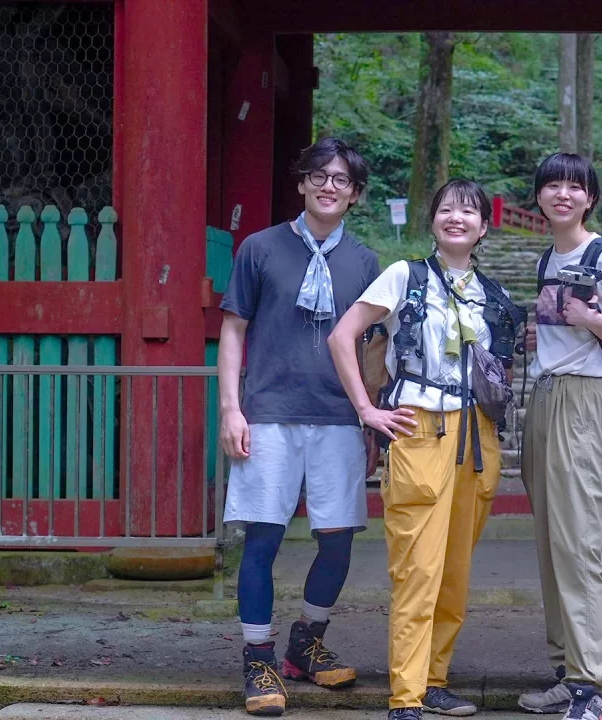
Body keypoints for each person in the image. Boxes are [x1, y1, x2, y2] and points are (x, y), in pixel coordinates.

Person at [329, 180, 523, 720]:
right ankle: (406, 697)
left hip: (477, 434)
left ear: (484, 227)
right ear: (432, 220)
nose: (456, 218)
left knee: (455, 571)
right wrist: (367, 411)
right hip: (419, 428)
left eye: (469, 212)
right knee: (418, 568)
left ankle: (435, 679)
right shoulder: (404, 276)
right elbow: (342, 336)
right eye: (446, 209)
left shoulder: (492, 294)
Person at [218, 137, 382, 717]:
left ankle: (305, 642)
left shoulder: (365, 261)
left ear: (355, 194)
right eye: (319, 175)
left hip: (338, 417)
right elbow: (233, 329)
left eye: (341, 179)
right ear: (301, 183)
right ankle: (257, 657)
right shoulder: (260, 248)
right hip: (269, 414)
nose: (329, 186)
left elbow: (370, 346)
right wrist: (231, 409)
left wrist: (369, 418)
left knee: (338, 539)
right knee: (262, 538)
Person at [517, 153, 602, 720]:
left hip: (588, 400)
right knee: (551, 539)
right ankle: (565, 671)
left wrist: (591, 320)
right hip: (546, 395)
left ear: (590, 199)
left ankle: (590, 685)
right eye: (553, 185)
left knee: (578, 539)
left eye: (575, 186)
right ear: (539, 197)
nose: (563, 194)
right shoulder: (549, 256)